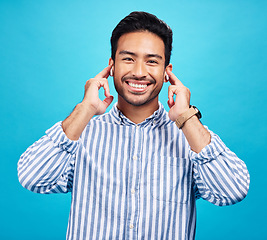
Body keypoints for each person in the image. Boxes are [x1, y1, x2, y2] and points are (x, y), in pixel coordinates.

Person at [18, 11, 250, 240]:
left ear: (167, 71)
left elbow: (232, 191)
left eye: (152, 61)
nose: (139, 72)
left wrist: (186, 117)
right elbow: (32, 177)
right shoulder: (81, 134)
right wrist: (85, 109)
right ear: (112, 67)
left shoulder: (190, 139)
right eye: (128, 59)